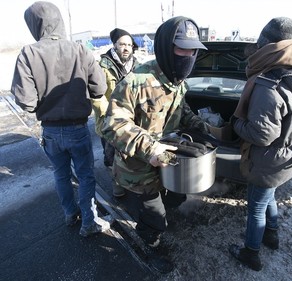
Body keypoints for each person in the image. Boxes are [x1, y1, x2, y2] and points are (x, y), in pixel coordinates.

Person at [100, 16, 208, 248]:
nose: (188, 57)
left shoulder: (177, 80)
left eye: (193, 52)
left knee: (177, 195)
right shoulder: (136, 82)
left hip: (169, 157)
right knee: (153, 214)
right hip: (140, 166)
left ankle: (162, 217)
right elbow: (113, 125)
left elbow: (180, 109)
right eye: (182, 50)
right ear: (167, 49)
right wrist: (150, 147)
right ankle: (151, 239)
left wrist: (200, 125)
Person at [11, 1, 111, 237]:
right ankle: (89, 222)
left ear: (34, 25)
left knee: (61, 175)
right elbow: (100, 88)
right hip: (77, 128)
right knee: (85, 176)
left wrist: (42, 103)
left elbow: (25, 101)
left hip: (51, 131)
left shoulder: (28, 53)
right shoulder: (80, 50)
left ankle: (70, 213)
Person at [228, 17, 292, 271]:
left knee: (256, 207)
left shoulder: (268, 85)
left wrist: (235, 123)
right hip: (288, 156)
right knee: (268, 196)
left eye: (261, 44)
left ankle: (251, 253)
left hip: (268, 159)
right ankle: (272, 234)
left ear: (268, 45)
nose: (257, 49)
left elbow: (262, 135)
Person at [94, 28, 140, 198]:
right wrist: (111, 115)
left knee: (131, 153)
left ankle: (131, 182)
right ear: (114, 45)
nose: (126, 48)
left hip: (132, 120)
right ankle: (118, 186)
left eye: (129, 44)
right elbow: (96, 96)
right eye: (122, 44)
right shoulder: (102, 67)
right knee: (111, 157)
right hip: (109, 121)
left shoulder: (137, 66)